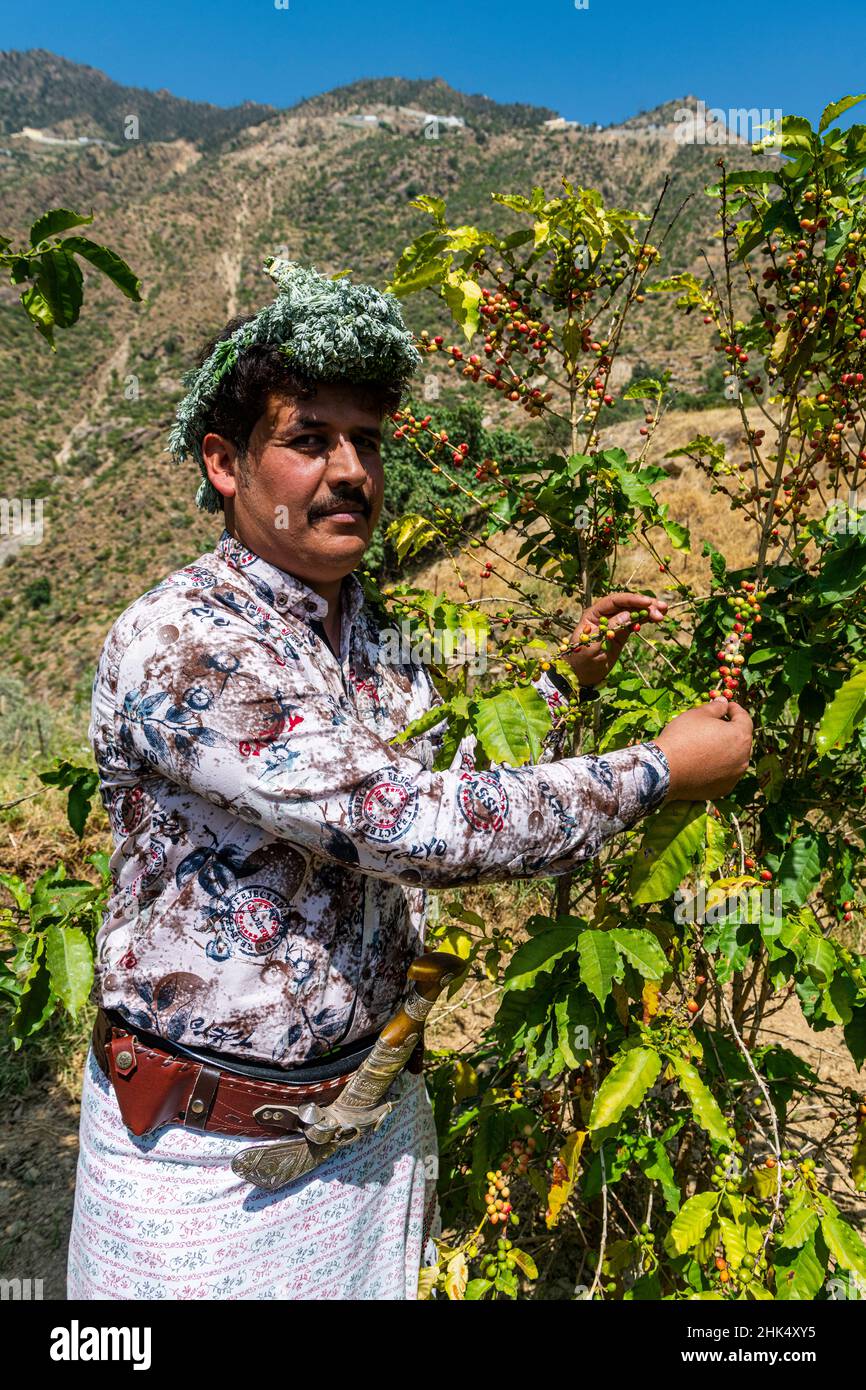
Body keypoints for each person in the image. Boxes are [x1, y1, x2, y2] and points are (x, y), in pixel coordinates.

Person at [66, 258, 753, 1301]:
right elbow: (411, 829)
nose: (351, 470)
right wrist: (655, 770)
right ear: (223, 462)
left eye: (368, 442)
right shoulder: (187, 644)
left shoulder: (373, 636)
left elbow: (426, 781)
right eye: (309, 440)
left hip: (363, 1133)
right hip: (201, 1174)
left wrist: (553, 687)